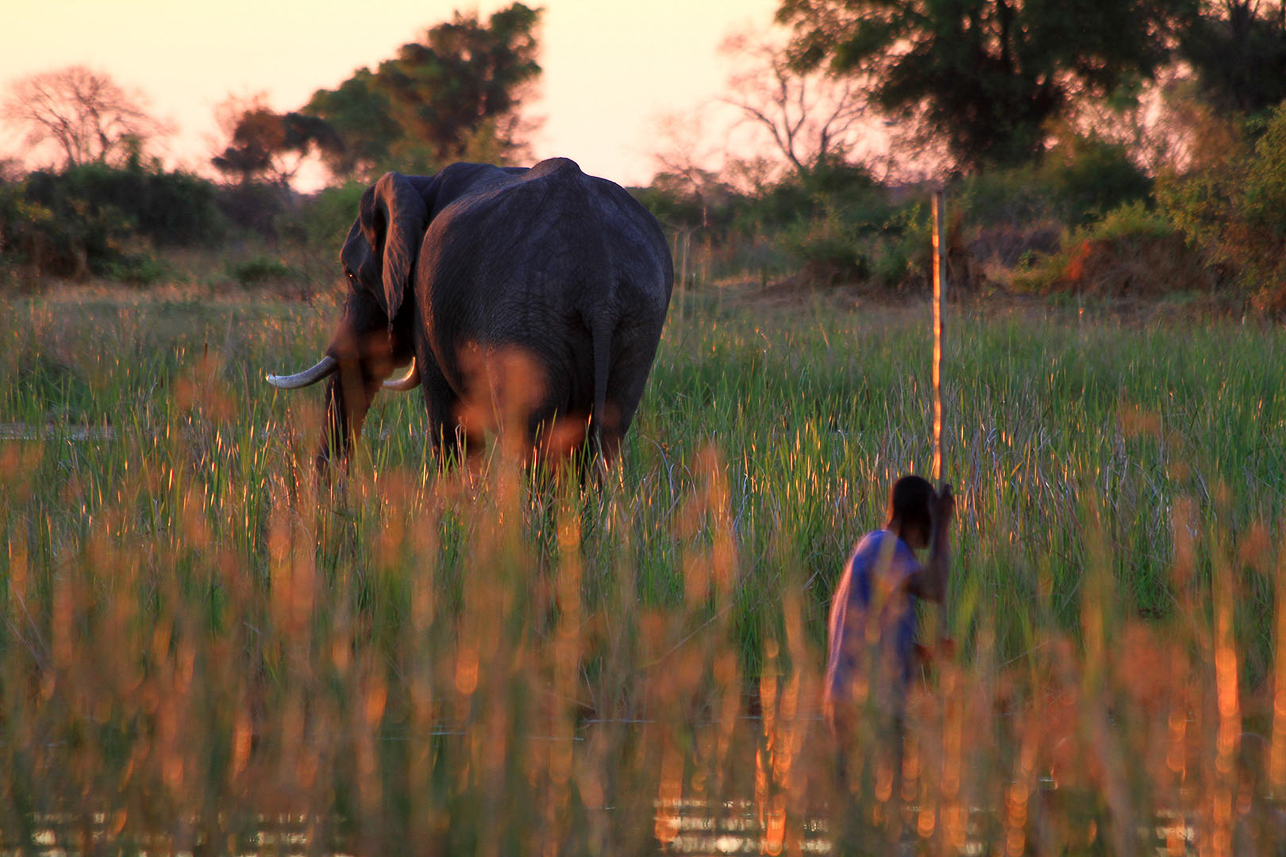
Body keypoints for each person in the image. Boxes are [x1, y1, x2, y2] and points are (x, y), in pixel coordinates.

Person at [823, 475, 955, 749]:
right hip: (865, 704)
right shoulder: (885, 547)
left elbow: (880, 641)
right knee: (882, 789)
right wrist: (943, 525)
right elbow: (935, 587)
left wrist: (929, 653)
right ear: (921, 518)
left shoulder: (875, 550)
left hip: (855, 700)